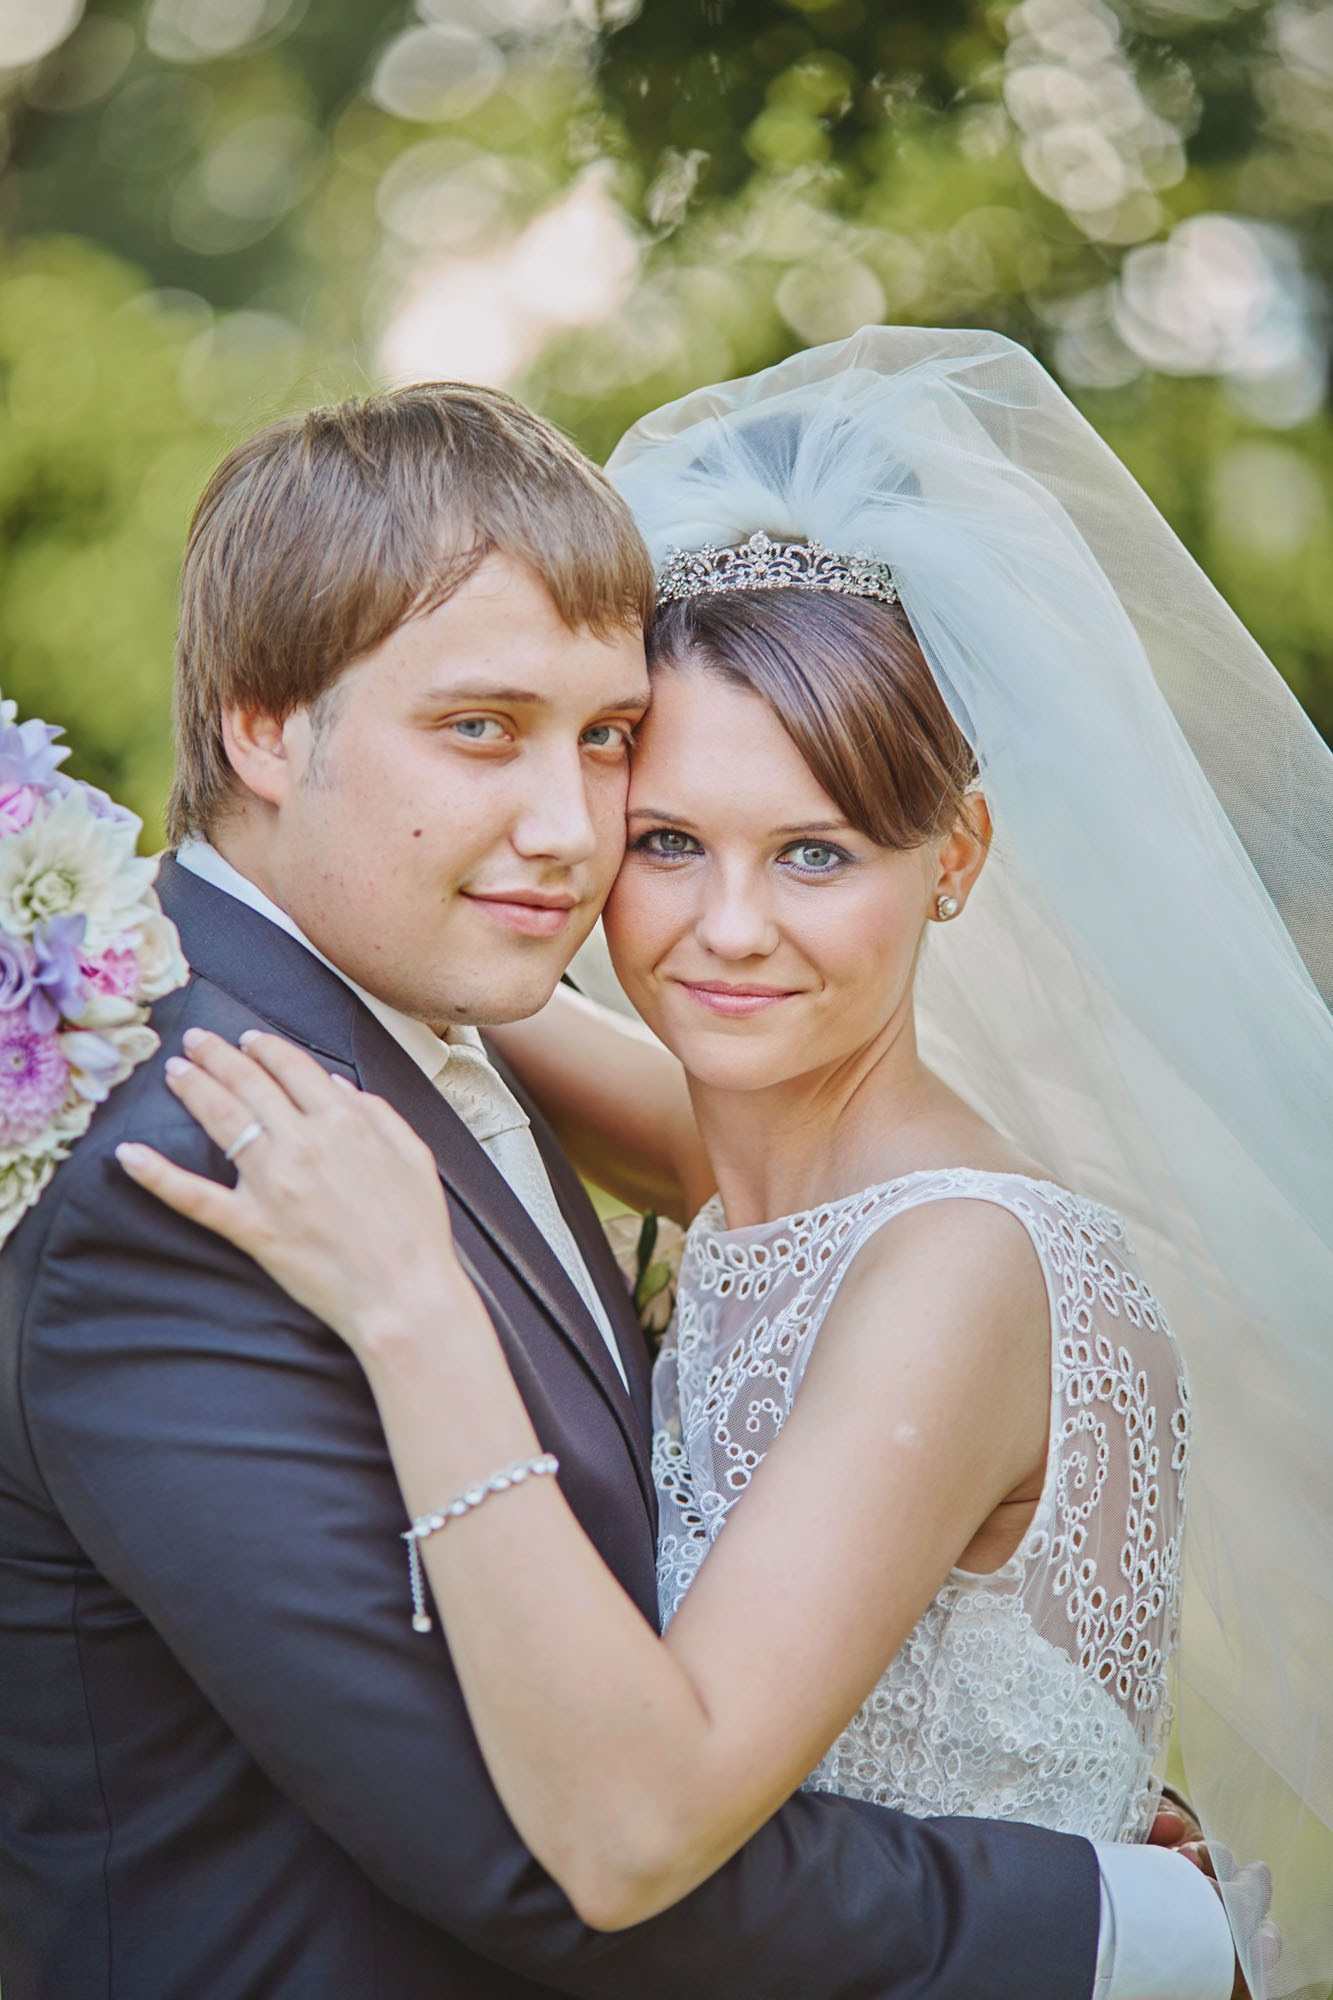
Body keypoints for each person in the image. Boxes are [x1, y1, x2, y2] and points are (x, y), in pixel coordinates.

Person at [107, 339, 1329, 1989]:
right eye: (668, 840)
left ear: (951, 857)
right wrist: (90, 942)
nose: (726, 932)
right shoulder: (740, 1155)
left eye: (814, 853)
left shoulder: (954, 1269)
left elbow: (639, 1828)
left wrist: (415, 1311)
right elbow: (385, 953)